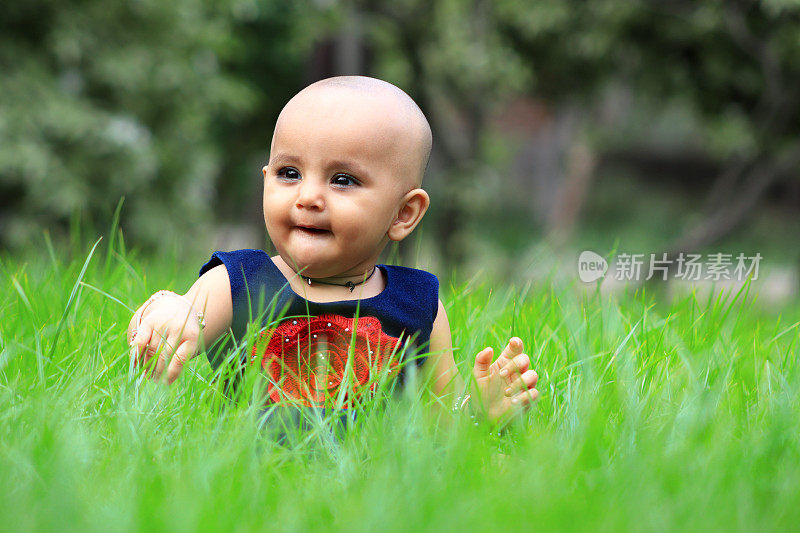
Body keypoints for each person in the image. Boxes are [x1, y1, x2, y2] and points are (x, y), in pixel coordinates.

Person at [127, 76, 539, 426]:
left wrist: (480, 413)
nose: (308, 196)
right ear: (266, 179)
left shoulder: (418, 304)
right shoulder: (239, 282)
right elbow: (183, 318)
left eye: (342, 180)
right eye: (290, 173)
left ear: (403, 212)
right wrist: (166, 312)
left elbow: (437, 425)